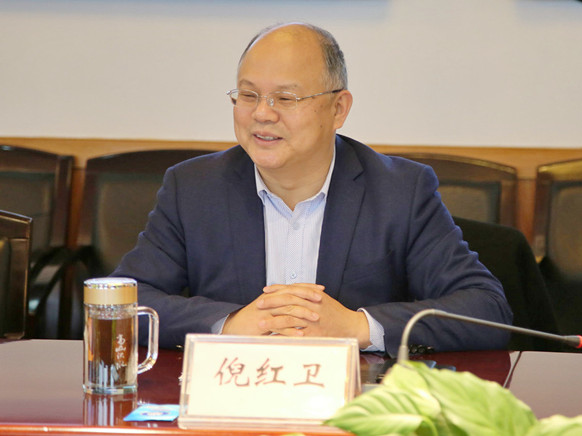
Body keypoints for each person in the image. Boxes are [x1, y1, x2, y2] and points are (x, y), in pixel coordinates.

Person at [112, 22, 513, 357]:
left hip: (353, 404)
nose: (262, 113)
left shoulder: (400, 191)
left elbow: (486, 308)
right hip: (234, 397)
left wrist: (358, 327)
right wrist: (229, 324)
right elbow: (124, 301)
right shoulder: (194, 188)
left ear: (338, 109)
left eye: (285, 98)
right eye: (248, 95)